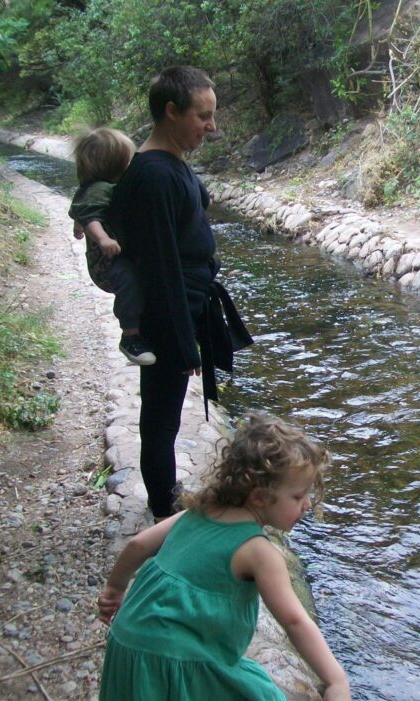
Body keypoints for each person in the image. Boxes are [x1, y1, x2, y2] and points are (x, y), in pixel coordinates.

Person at [94, 412, 351, 701]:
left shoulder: (199, 511)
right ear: (260, 498)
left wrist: (114, 590)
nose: (307, 504)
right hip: (171, 656)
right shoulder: (259, 552)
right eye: (297, 496)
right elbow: (294, 621)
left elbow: (139, 545)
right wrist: (335, 679)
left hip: (129, 641)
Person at [109, 66, 253, 521]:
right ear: (171, 112)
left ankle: (165, 504)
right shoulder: (154, 176)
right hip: (172, 311)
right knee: (161, 420)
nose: (211, 127)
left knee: (164, 416)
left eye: (213, 116)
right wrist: (178, 340)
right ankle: (163, 511)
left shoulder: (169, 166)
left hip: (189, 303)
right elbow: (160, 266)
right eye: (203, 116)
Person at [69, 127, 156, 366]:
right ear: (115, 164)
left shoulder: (95, 188)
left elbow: (79, 210)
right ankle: (130, 336)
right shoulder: (99, 189)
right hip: (107, 263)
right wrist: (102, 238)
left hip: (113, 256)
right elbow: (90, 216)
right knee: (130, 279)